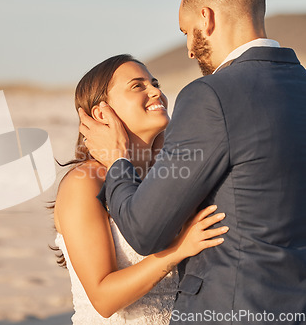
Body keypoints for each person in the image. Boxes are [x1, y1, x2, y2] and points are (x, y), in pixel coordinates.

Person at [78, 0, 306, 324]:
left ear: (207, 18)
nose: (189, 48)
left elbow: (144, 231)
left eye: (187, 31)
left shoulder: (211, 95)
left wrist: (118, 162)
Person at [53, 54, 228, 325]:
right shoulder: (85, 183)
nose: (156, 91)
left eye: (154, 83)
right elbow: (103, 298)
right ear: (102, 113)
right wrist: (179, 249)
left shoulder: (169, 176)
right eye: (138, 86)